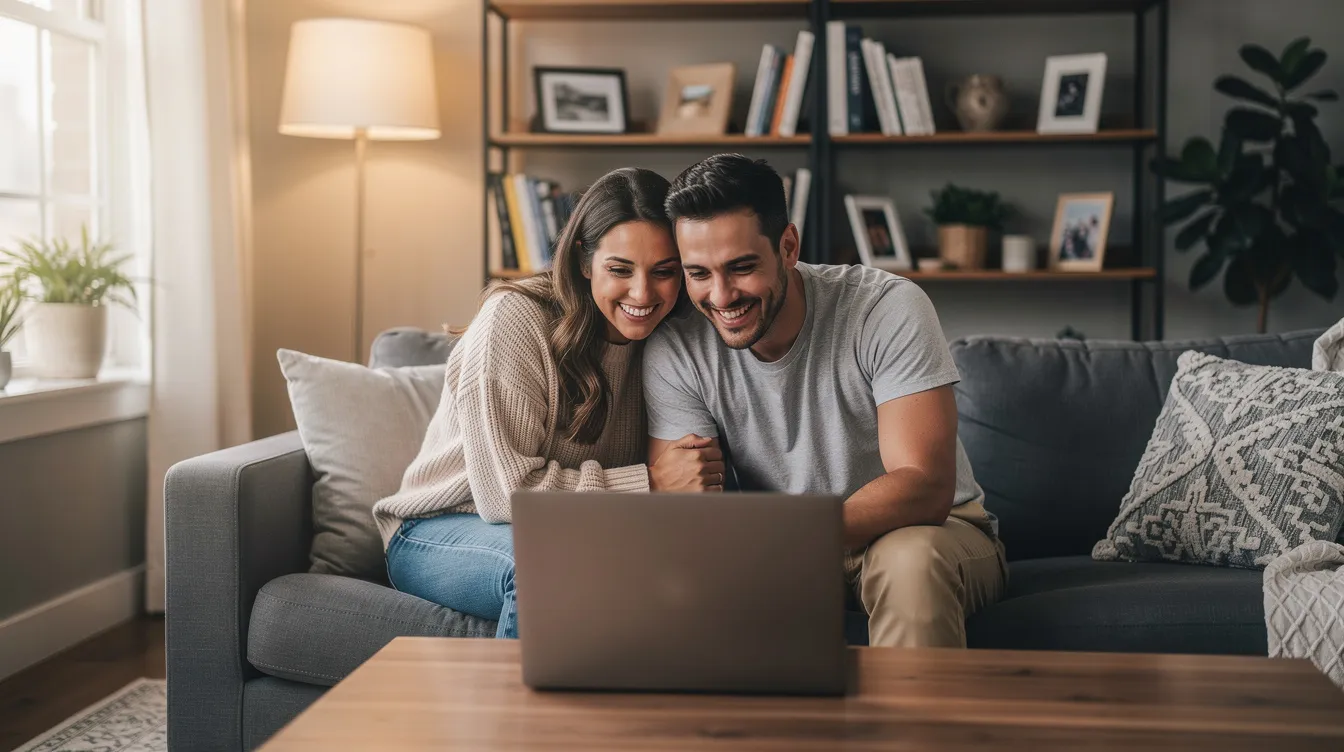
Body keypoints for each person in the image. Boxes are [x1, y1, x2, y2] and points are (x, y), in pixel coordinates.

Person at [644, 154, 1007, 649]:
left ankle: (912, 729)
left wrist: (786, 537)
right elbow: (686, 504)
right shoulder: (677, 344)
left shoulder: (885, 308)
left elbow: (925, 486)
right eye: (698, 273)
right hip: (777, 548)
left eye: (742, 267)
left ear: (788, 246)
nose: (722, 296)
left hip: (926, 532)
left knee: (910, 564)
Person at [373, 167, 724, 639]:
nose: (643, 294)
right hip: (439, 528)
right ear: (584, 261)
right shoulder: (516, 320)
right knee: (546, 566)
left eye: (664, 272)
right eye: (619, 269)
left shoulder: (675, 337)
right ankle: (514, 716)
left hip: (579, 531)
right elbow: (506, 495)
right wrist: (650, 483)